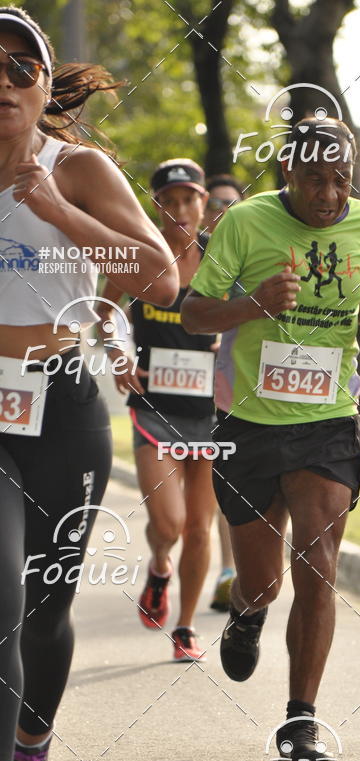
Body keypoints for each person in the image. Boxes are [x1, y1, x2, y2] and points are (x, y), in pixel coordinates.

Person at [0, 6, 177, 761]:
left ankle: (32, 735)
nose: (1, 80)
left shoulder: (79, 167)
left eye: (16, 66)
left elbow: (161, 273)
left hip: (61, 401)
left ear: (41, 85)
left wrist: (57, 209)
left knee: (43, 605)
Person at [181, 118, 360, 761]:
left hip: (329, 419)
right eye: (315, 180)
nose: (330, 194)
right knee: (263, 582)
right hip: (250, 426)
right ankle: (247, 613)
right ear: (287, 174)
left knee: (318, 562)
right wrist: (251, 303)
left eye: (342, 179)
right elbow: (194, 311)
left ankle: (300, 722)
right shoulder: (244, 223)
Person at [98, 159, 219, 660]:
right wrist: (118, 351)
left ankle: (187, 627)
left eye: (188, 199)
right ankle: (159, 565)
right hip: (154, 410)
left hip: (211, 413)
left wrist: (226, 342)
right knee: (168, 524)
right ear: (156, 207)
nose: (179, 210)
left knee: (199, 527)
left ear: (204, 203)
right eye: (168, 202)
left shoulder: (222, 259)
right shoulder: (143, 257)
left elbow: (252, 314)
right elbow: (105, 313)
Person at [203, 173, 244, 611]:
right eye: (215, 203)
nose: (222, 211)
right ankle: (225, 566)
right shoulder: (192, 250)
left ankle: (233, 569)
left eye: (231, 204)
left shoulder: (250, 248)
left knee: (230, 481)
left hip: (232, 385)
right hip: (181, 385)